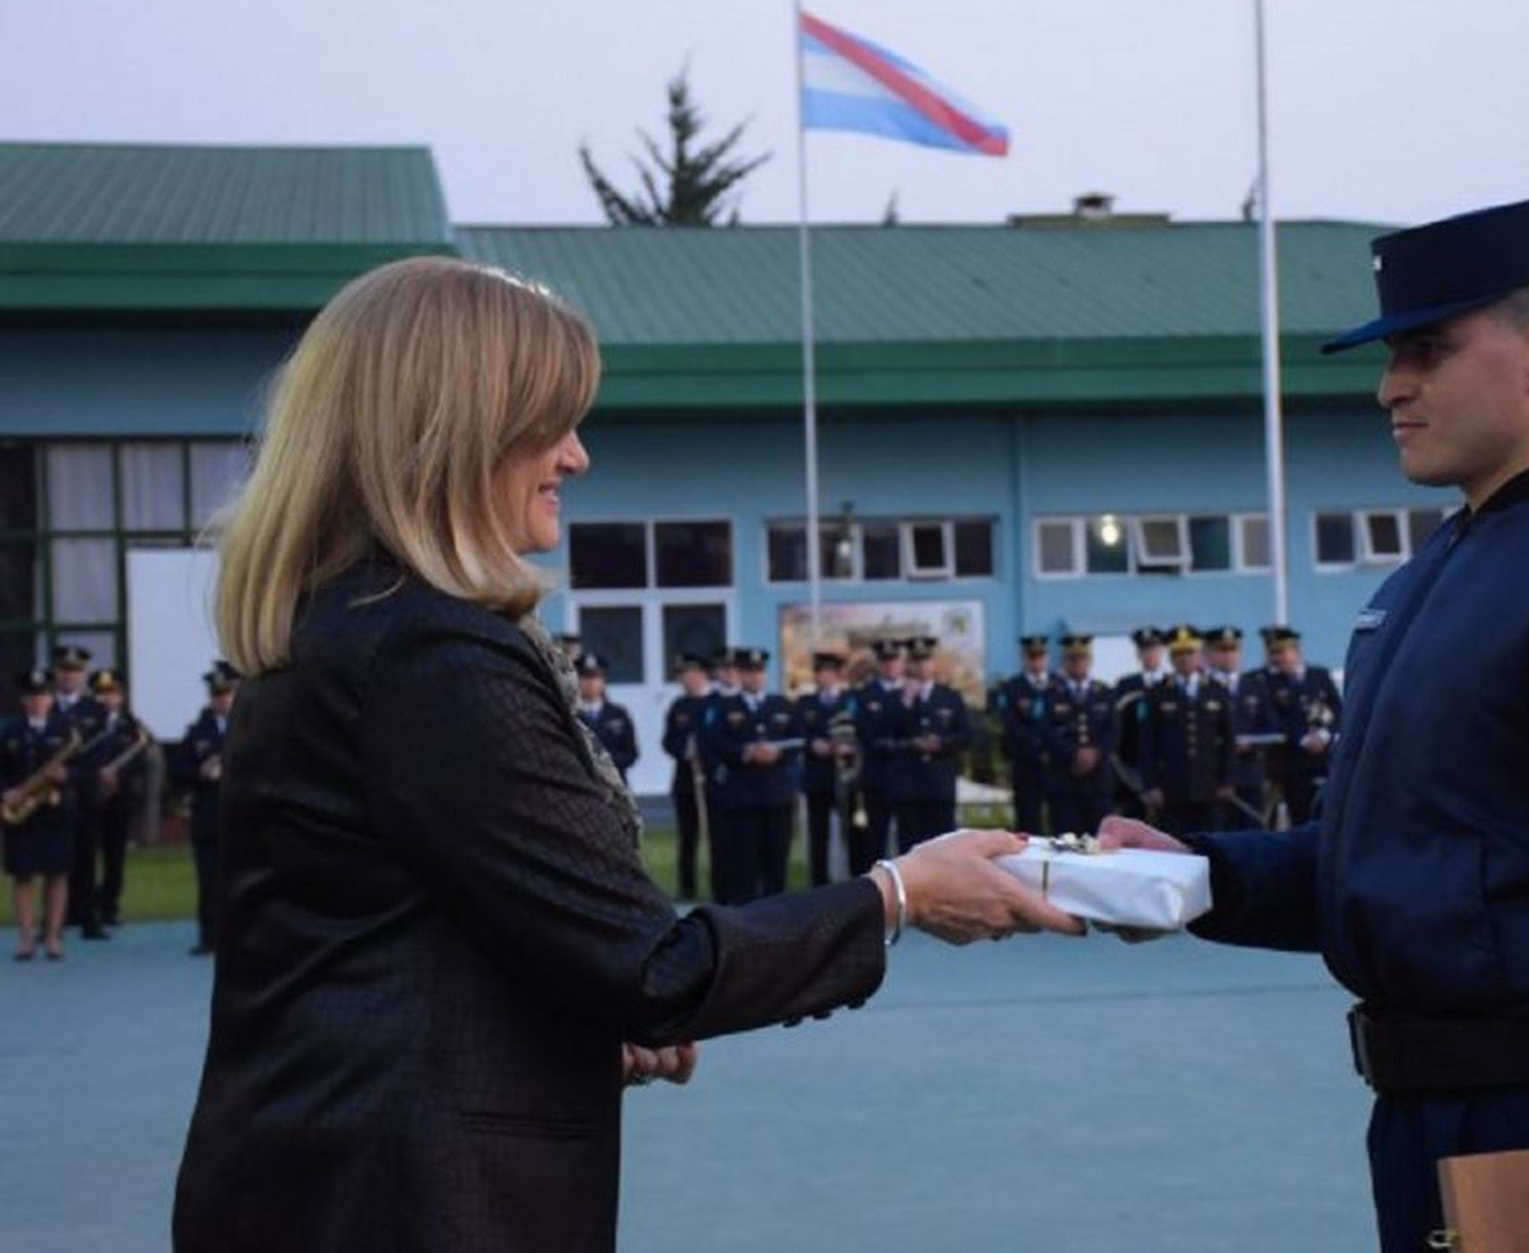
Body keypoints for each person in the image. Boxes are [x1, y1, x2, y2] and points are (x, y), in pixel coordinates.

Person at [171, 257, 1079, 1253]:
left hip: (331, 1172)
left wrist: (563, 1023)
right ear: (452, 432)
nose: (577, 455)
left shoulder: (352, 625)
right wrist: (901, 894)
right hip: (406, 1199)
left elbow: (403, 939)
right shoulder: (427, 651)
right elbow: (653, 969)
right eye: (549, 423)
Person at [1102, 189, 1529, 1252]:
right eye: (1394, 355)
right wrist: (1199, 875)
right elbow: (1414, 862)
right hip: (1435, 1127)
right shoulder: (1443, 573)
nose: (1391, 385)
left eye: (1426, 350)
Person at [704, 648, 801, 904]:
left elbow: (798, 740)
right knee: (744, 864)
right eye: (749, 671)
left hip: (777, 796)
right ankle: (745, 916)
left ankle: (777, 914)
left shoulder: (782, 706)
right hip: (743, 799)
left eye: (759, 671)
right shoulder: (725, 708)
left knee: (776, 863)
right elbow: (716, 744)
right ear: (740, 674)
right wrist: (746, 753)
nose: (755, 677)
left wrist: (778, 753)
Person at [2, 668, 76, 961]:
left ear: (51, 698)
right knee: (23, 876)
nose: (38, 702)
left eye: (43, 695)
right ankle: (26, 939)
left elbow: (85, 769)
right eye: (32, 696)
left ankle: (53, 937)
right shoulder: (10, 731)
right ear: (24, 700)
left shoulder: (66, 731)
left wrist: (67, 775)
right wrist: (6, 791)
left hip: (56, 811)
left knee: (57, 874)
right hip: (22, 810)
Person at [1138, 624, 1233, 837]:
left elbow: (1228, 740)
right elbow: (1147, 744)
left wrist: (1227, 780)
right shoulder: (1157, 693)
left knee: (1210, 843)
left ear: (1200, 655)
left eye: (1190, 653)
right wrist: (1151, 785)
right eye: (1178, 654)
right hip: (1171, 787)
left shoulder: (1217, 690)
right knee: (1173, 843)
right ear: (1171, 657)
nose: (1184, 659)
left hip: (1209, 785)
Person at [172, 662, 237, 957]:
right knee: (209, 880)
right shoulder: (198, 731)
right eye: (216, 694)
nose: (221, 700)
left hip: (242, 815)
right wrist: (200, 772)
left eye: (226, 693)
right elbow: (178, 769)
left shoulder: (252, 725)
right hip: (209, 816)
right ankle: (209, 936)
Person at [888, 636, 973, 852]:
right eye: (916, 661)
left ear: (933, 663)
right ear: (909, 665)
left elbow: (966, 735)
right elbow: (886, 734)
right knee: (909, 848)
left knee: (943, 847)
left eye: (925, 660)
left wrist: (942, 743)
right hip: (908, 786)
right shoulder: (895, 698)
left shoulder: (950, 697)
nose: (921, 666)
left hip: (939, 785)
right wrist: (906, 704)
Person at [1253, 626, 1342, 827]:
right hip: (1292, 763)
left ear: (1295, 650)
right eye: (1273, 653)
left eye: (1281, 652)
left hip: (1324, 760)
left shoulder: (1319, 675)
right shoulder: (1266, 682)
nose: (1277, 658)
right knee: (1300, 817)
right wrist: (1302, 739)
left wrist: (1325, 735)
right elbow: (1272, 719)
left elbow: (1338, 711)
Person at [49, 644, 109, 939]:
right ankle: (55, 921)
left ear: (84, 675)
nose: (69, 676)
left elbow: (100, 756)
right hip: (50, 797)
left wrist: (71, 774)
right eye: (64, 670)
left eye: (75, 671)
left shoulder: (96, 711)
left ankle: (89, 917)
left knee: (86, 857)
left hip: (84, 794)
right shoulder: (45, 706)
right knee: (54, 860)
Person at [85, 668, 149, 928]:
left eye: (112, 692)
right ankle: (85, 908)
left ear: (121, 696)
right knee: (87, 855)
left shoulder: (130, 725)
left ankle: (109, 906)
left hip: (120, 798)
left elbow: (140, 760)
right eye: (101, 693)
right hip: (90, 796)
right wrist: (96, 774)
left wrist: (118, 777)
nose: (106, 698)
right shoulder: (86, 723)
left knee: (115, 855)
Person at [1042, 634, 1118, 838]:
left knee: (1101, 842)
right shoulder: (1050, 694)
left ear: (1089, 660)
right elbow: (1046, 732)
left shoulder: (1105, 692)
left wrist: (1096, 753)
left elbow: (1114, 732)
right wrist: (1074, 753)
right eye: (1071, 658)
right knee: (1066, 842)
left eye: (1081, 658)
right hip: (1064, 783)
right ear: (1064, 662)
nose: (1077, 663)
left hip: (1099, 784)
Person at [796, 651, 857, 888]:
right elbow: (798, 732)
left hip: (846, 777)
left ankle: (854, 880)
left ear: (837, 674)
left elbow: (861, 732)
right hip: (818, 777)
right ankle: (819, 883)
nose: (821, 676)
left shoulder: (851, 701)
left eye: (826, 672)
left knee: (851, 832)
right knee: (818, 833)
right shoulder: (806, 703)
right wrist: (813, 744)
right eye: (818, 671)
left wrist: (848, 747)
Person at [1207, 626, 1274, 830]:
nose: (1229, 656)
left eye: (1233, 650)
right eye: (1222, 650)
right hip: (1213, 775)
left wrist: (1251, 742)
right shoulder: (1202, 687)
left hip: (1249, 772)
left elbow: (1270, 726)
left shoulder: (1255, 685)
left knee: (1252, 830)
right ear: (1209, 654)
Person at [660, 654, 713, 899]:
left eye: (688, 674)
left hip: (712, 780)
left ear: (702, 674)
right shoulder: (679, 706)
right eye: (682, 675)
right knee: (687, 836)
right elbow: (668, 741)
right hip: (685, 780)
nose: (684, 679)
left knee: (717, 835)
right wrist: (684, 750)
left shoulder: (716, 702)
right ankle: (687, 886)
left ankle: (720, 882)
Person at [994, 635, 1058, 836]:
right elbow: (1011, 725)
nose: (1036, 662)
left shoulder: (1059, 684)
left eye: (1040, 656)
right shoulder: (1011, 688)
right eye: (1032, 657)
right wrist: (1036, 747)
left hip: (1057, 766)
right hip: (1026, 765)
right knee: (1028, 823)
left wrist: (1053, 747)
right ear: (1024, 658)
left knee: (1062, 822)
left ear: (1047, 657)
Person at [851, 638, 906, 868]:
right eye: (885, 661)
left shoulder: (912, 692)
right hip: (877, 775)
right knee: (875, 839)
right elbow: (864, 732)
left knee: (910, 841)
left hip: (908, 777)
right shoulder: (864, 695)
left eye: (894, 660)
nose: (890, 666)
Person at [1111, 626, 1168, 820]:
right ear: (1138, 654)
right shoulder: (1126, 685)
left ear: (1161, 651)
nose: (1149, 654)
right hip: (1132, 768)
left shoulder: (1170, 684)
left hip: (1165, 768)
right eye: (1144, 650)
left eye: (1153, 649)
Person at [574, 652, 638, 784]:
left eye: (595, 677)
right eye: (585, 677)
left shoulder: (618, 714)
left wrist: (605, 761)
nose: (590, 683)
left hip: (614, 784)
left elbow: (631, 754)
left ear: (603, 681)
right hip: (582, 783)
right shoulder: (571, 714)